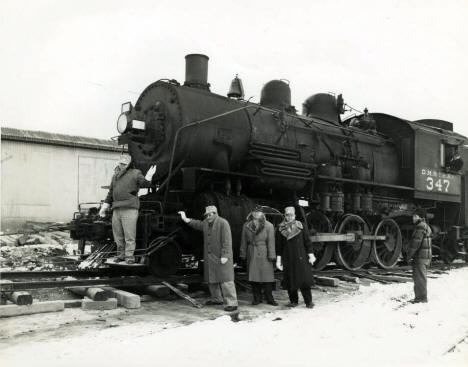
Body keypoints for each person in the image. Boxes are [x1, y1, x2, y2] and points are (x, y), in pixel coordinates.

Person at [178, 206, 238, 312]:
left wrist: (225, 255)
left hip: (221, 257)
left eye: (211, 214)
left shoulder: (223, 223)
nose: (208, 216)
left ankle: (232, 303)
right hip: (210, 257)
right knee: (212, 279)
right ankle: (217, 299)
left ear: (215, 213)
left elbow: (227, 241)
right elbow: (197, 224)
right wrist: (186, 219)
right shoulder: (206, 223)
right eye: (207, 215)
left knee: (226, 280)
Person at [99, 154, 156, 264]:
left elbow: (145, 184)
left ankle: (129, 257)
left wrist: (149, 176)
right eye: (121, 163)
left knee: (129, 235)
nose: (122, 165)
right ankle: (120, 255)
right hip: (116, 209)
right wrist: (104, 206)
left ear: (129, 164)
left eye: (124, 164)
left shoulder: (135, 173)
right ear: (118, 163)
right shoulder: (115, 176)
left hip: (130, 209)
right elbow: (111, 192)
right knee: (118, 235)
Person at [276, 206, 316, 308]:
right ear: (284, 215)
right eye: (287, 215)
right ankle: (293, 301)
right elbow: (279, 246)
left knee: (304, 280)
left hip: (301, 256)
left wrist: (311, 255)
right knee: (290, 280)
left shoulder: (301, 226)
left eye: (291, 215)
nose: (289, 217)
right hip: (288, 257)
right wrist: (278, 260)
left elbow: (307, 241)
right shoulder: (280, 228)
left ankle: (309, 302)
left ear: (295, 215)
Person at [239, 207, 277, 306]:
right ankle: (257, 298)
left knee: (267, 278)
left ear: (262, 213)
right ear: (252, 213)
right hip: (252, 252)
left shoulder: (269, 225)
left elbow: (271, 242)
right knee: (253, 277)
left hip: (264, 253)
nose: (256, 214)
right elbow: (243, 241)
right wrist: (242, 254)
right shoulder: (246, 225)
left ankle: (270, 298)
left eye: (258, 212)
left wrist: (272, 255)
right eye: (254, 212)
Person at [406, 208, 432, 303]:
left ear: (419, 217)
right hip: (424, 257)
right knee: (420, 278)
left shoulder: (420, 226)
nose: (413, 218)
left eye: (414, 216)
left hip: (420, 257)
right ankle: (420, 297)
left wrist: (409, 256)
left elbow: (415, 243)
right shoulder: (426, 226)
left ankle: (421, 299)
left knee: (419, 278)